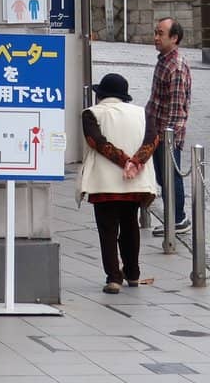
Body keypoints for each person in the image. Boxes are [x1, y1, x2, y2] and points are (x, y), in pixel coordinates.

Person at [76, 73, 158, 294]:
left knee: (108, 229)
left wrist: (124, 161)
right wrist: (135, 162)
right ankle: (133, 273)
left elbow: (96, 142)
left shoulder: (91, 114)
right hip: (135, 183)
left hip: (104, 182)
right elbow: (152, 140)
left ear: (100, 94)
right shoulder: (143, 113)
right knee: (131, 224)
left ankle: (113, 277)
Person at [146, 17, 192, 235]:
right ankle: (171, 218)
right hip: (157, 132)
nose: (156, 37)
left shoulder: (176, 67)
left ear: (174, 38)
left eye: (160, 33)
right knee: (163, 177)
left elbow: (175, 109)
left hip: (167, 134)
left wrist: (166, 137)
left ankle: (178, 219)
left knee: (171, 176)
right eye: (155, 32)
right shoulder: (164, 60)